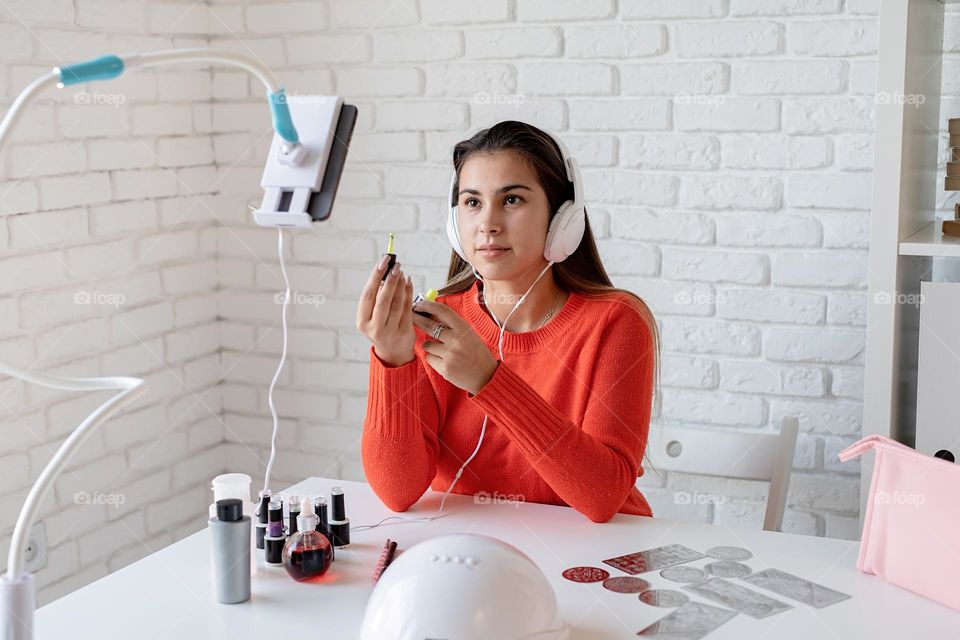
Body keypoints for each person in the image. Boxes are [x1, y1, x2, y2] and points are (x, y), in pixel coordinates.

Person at [356, 121, 660, 522]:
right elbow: (397, 492)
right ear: (455, 222)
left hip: (594, 560)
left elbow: (603, 495)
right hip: (470, 556)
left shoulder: (616, 322)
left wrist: (488, 380)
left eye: (512, 199)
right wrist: (392, 358)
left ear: (561, 217)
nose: (488, 223)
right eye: (472, 202)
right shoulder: (435, 322)